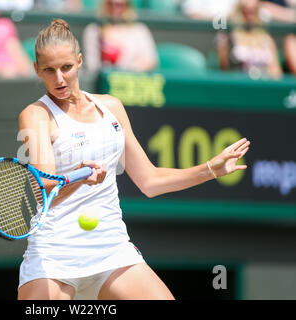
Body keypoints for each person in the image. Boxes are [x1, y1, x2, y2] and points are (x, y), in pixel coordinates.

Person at [16, 19, 251, 300]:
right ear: (36, 70)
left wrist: (210, 169)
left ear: (79, 61)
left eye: (66, 67)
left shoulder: (111, 106)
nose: (59, 79)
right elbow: (45, 194)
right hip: (55, 253)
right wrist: (80, 175)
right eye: (49, 70)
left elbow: (149, 181)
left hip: (110, 246)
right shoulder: (35, 115)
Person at [82, 0, 158, 74]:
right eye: (111, 3)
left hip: (133, 82)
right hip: (104, 84)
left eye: (120, 5)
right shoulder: (94, 30)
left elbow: (151, 61)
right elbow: (93, 67)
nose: (115, 7)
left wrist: (130, 70)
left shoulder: (140, 30)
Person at [216, 0, 283, 79]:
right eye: (245, 12)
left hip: (264, 84)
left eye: (252, 12)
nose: (249, 17)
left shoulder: (267, 39)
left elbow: (276, 71)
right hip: (239, 84)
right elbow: (224, 68)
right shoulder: (230, 36)